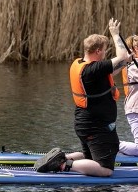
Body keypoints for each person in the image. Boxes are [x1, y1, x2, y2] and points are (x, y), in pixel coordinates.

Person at [35, 18, 131, 176]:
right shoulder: (94, 68)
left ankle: (60, 158)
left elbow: (112, 69)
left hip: (85, 123)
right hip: (96, 126)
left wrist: (125, 63)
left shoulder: (80, 64)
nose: (106, 53)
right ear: (98, 51)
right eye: (105, 50)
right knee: (106, 170)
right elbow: (121, 55)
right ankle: (64, 164)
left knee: (90, 158)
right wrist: (115, 35)